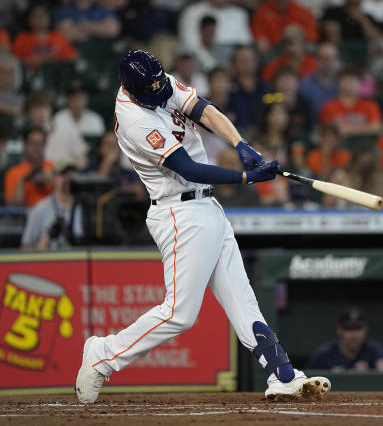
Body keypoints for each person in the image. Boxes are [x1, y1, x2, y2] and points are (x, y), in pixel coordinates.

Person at [74, 50, 330, 404]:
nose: (159, 90)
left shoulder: (158, 83)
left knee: (243, 301)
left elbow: (204, 110)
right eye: (151, 88)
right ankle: (104, 354)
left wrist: (242, 145)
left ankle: (283, 375)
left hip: (207, 207)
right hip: (179, 213)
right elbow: (188, 168)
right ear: (131, 89)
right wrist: (246, 177)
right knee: (180, 314)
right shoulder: (132, 117)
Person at [307, 307, 383, 372]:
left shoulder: (374, 350)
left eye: (358, 328)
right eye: (348, 328)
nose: (354, 334)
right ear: (339, 330)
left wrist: (378, 373)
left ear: (365, 330)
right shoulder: (324, 354)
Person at [21, 162, 77, 250]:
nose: (68, 178)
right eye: (63, 174)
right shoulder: (40, 209)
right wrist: (41, 248)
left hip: (78, 260)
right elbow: (26, 246)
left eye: (72, 174)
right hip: (51, 261)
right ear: (53, 178)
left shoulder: (84, 208)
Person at [320, 67, 383, 137]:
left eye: (353, 80)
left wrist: (347, 130)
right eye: (345, 80)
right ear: (339, 83)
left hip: (364, 145)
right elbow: (326, 131)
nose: (349, 84)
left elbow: (376, 127)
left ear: (360, 84)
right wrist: (365, 128)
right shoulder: (329, 106)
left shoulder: (370, 105)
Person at [11, 4, 76, 69]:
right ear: (29, 19)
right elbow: (14, 60)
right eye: (36, 17)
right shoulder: (22, 38)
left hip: (56, 74)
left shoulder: (58, 36)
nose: (40, 20)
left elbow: (72, 57)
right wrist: (28, 61)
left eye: (43, 16)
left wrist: (54, 60)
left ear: (49, 18)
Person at [3, 126, 53, 207]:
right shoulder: (13, 173)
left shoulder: (54, 168)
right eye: (32, 143)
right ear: (24, 145)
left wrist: (53, 180)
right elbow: (12, 207)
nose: (37, 147)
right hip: (24, 217)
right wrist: (23, 180)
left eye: (40, 143)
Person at [252, 0, 317, 53]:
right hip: (272, 49)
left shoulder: (303, 12)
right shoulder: (262, 11)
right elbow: (259, 35)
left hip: (298, 48)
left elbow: (310, 36)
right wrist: (261, 41)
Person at [298, 42, 340, 120]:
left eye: (332, 58)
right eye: (325, 58)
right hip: (313, 128)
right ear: (317, 60)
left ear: (337, 60)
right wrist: (273, 98)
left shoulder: (345, 83)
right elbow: (274, 97)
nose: (329, 62)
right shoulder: (304, 85)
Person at [53, 0, 121, 43]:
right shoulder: (65, 9)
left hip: (102, 50)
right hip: (75, 51)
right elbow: (64, 35)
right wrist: (98, 28)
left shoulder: (102, 8)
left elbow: (113, 30)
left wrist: (83, 26)